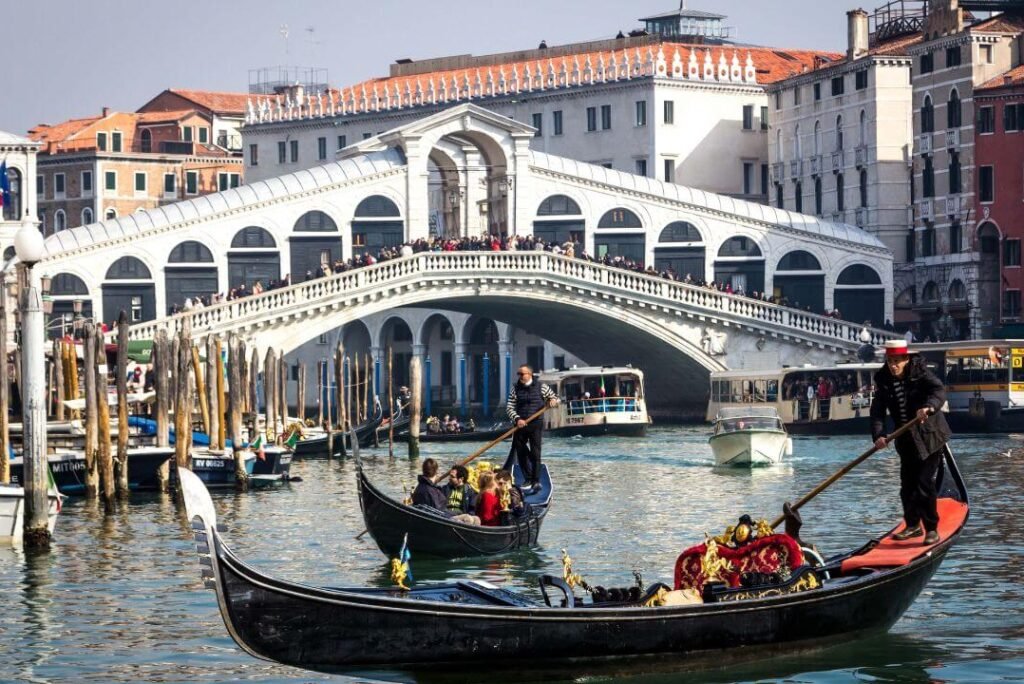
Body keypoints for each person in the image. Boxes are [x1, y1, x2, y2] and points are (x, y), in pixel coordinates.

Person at [870, 340, 951, 546]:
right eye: (890, 361)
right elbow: (877, 411)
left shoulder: (920, 372)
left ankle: (931, 529)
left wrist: (929, 407)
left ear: (906, 360)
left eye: (896, 361)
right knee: (907, 486)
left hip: (930, 436)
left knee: (924, 484)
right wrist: (879, 434)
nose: (893, 365)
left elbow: (939, 391)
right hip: (905, 439)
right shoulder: (883, 379)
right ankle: (913, 525)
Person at [505, 364, 558, 488]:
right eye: (519, 374)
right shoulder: (515, 388)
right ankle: (528, 478)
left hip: (536, 423)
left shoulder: (542, 387)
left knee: (536, 452)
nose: (520, 376)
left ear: (529, 374)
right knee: (520, 449)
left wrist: (553, 401)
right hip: (520, 424)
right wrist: (517, 419)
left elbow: (555, 399)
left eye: (522, 374)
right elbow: (509, 407)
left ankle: (536, 480)